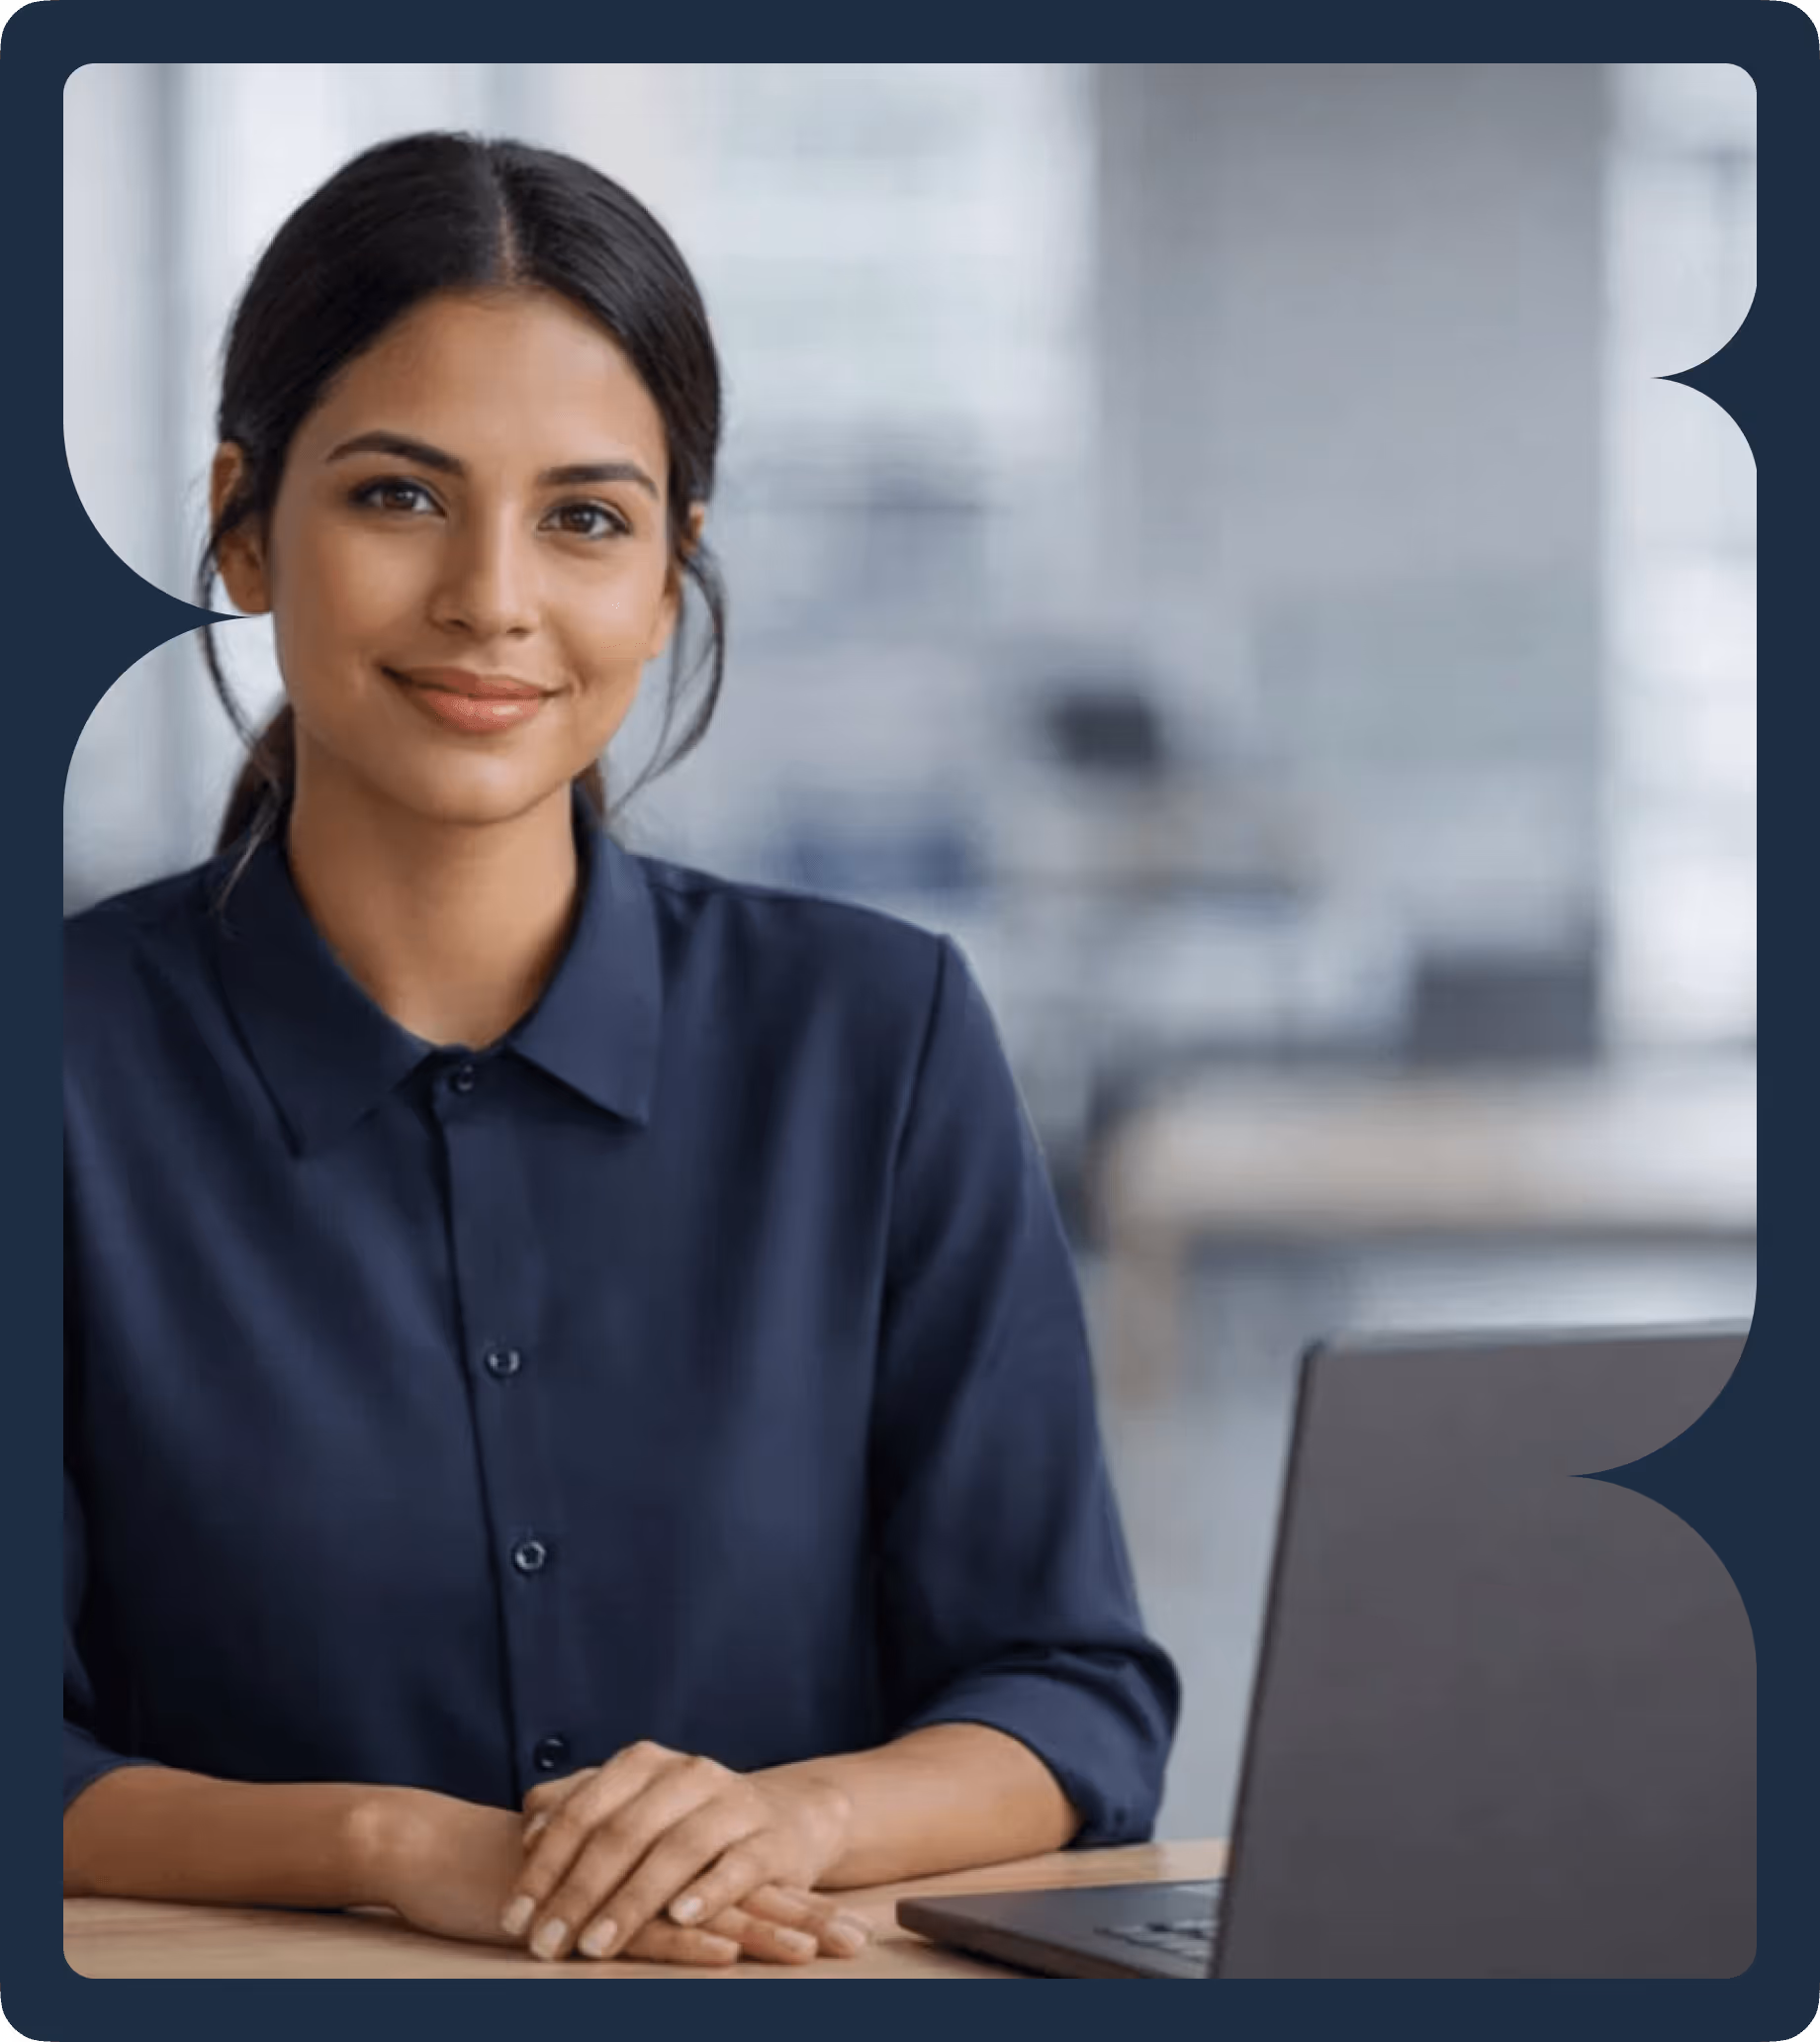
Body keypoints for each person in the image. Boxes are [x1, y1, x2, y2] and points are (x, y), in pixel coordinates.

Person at [61, 132, 1179, 1970]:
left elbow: (1064, 1692)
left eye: (585, 517)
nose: (493, 597)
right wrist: (395, 1848)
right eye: (400, 498)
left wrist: (787, 1814)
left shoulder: (879, 1039)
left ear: (669, 576)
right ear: (244, 526)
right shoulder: (63, 1076)